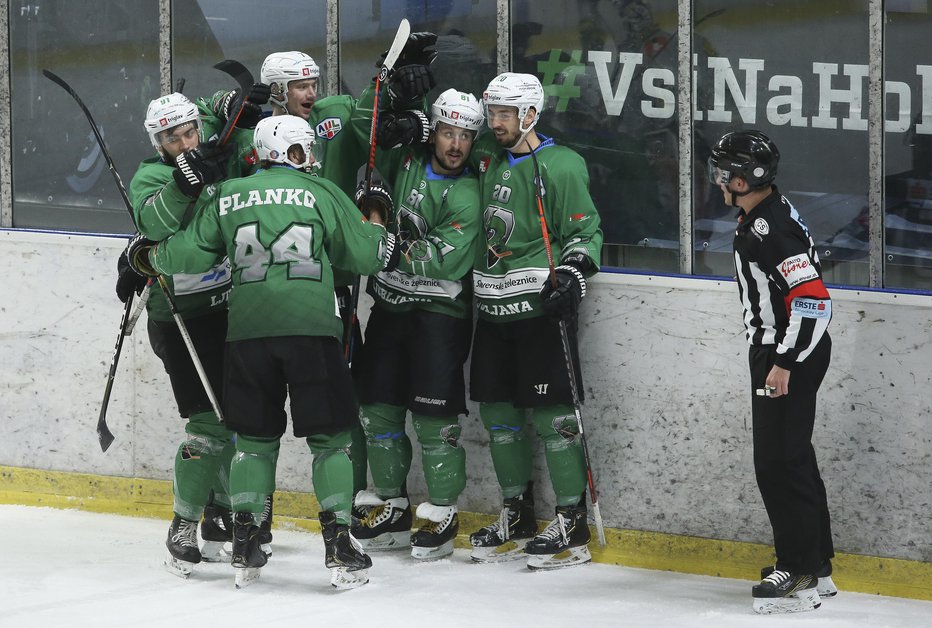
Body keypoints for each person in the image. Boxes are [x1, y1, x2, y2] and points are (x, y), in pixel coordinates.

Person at [127, 115, 401, 589]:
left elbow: (188, 256)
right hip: (311, 330)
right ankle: (338, 544)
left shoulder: (226, 193)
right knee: (331, 438)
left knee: (252, 440)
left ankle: (247, 541)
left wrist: (146, 257)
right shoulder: (321, 191)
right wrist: (377, 219)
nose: (311, 156)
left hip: (247, 334)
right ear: (292, 153)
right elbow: (369, 256)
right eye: (306, 149)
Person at [115, 88, 266, 578]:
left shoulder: (207, 153)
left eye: (188, 133)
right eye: (171, 138)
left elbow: (235, 126)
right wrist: (184, 183)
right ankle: (183, 524)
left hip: (231, 308)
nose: (183, 143)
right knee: (207, 426)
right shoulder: (152, 175)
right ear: (158, 143)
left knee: (237, 418)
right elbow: (152, 219)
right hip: (179, 316)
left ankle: (223, 511)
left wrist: (233, 104)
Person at [466, 73, 603, 570]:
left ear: (529, 115)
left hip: (537, 311)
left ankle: (571, 520)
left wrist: (571, 273)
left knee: (554, 420)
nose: (495, 122)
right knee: (499, 418)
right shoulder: (486, 156)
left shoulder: (562, 165)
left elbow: (586, 232)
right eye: (493, 112)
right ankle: (516, 514)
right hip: (491, 307)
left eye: (506, 114)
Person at [347, 87, 484, 560]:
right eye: (447, 132)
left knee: (433, 422)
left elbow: (440, 262)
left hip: (439, 318)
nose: (455, 144)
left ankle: (443, 512)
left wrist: (381, 247)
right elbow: (368, 140)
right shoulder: (405, 160)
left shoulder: (469, 191)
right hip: (388, 310)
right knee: (377, 412)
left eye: (465, 136)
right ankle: (393, 506)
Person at [708, 130, 836, 614]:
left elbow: (813, 301)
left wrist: (783, 362)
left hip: (786, 355)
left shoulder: (770, 229)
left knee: (778, 463)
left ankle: (799, 569)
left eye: (724, 171)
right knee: (792, 457)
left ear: (745, 178)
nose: (718, 179)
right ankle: (815, 564)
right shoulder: (760, 216)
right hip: (785, 352)